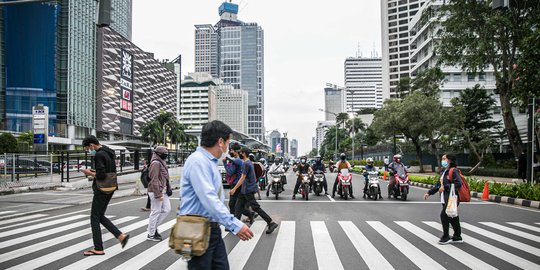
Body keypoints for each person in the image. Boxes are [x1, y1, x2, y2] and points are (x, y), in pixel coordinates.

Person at [179, 120, 254, 269]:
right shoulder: (198, 162)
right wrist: (234, 224)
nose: (228, 147)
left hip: (211, 229)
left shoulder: (209, 162)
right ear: (220, 141)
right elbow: (209, 199)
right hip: (197, 230)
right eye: (228, 142)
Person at [81, 135, 129, 256]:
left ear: (92, 145)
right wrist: (95, 172)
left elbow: (101, 175)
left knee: (94, 217)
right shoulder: (109, 151)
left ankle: (98, 248)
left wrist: (88, 173)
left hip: (101, 189)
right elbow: (107, 171)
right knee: (100, 215)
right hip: (111, 187)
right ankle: (120, 236)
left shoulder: (99, 154)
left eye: (88, 148)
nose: (88, 151)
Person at [230, 146, 279, 233]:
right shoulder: (249, 163)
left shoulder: (246, 164)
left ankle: (270, 222)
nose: (239, 154)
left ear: (244, 154)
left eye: (240, 153)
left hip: (248, 190)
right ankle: (235, 226)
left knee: (256, 208)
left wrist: (234, 189)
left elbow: (242, 178)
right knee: (238, 207)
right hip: (245, 190)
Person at [424, 154, 463, 245]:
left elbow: (458, 183)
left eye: (444, 159)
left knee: (444, 215)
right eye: (442, 159)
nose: (443, 161)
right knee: (453, 217)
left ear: (449, 160)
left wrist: (445, 187)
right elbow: (438, 185)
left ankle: (446, 236)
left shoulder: (454, 171)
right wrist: (429, 193)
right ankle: (457, 236)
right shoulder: (444, 172)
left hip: (452, 198)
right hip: (445, 198)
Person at [146, 146, 172, 242]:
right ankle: (151, 234)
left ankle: (152, 228)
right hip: (155, 191)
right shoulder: (156, 163)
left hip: (163, 190)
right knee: (156, 211)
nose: (166, 155)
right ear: (159, 154)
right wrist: (158, 194)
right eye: (165, 154)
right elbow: (154, 180)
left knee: (167, 209)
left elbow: (164, 178)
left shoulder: (161, 161)